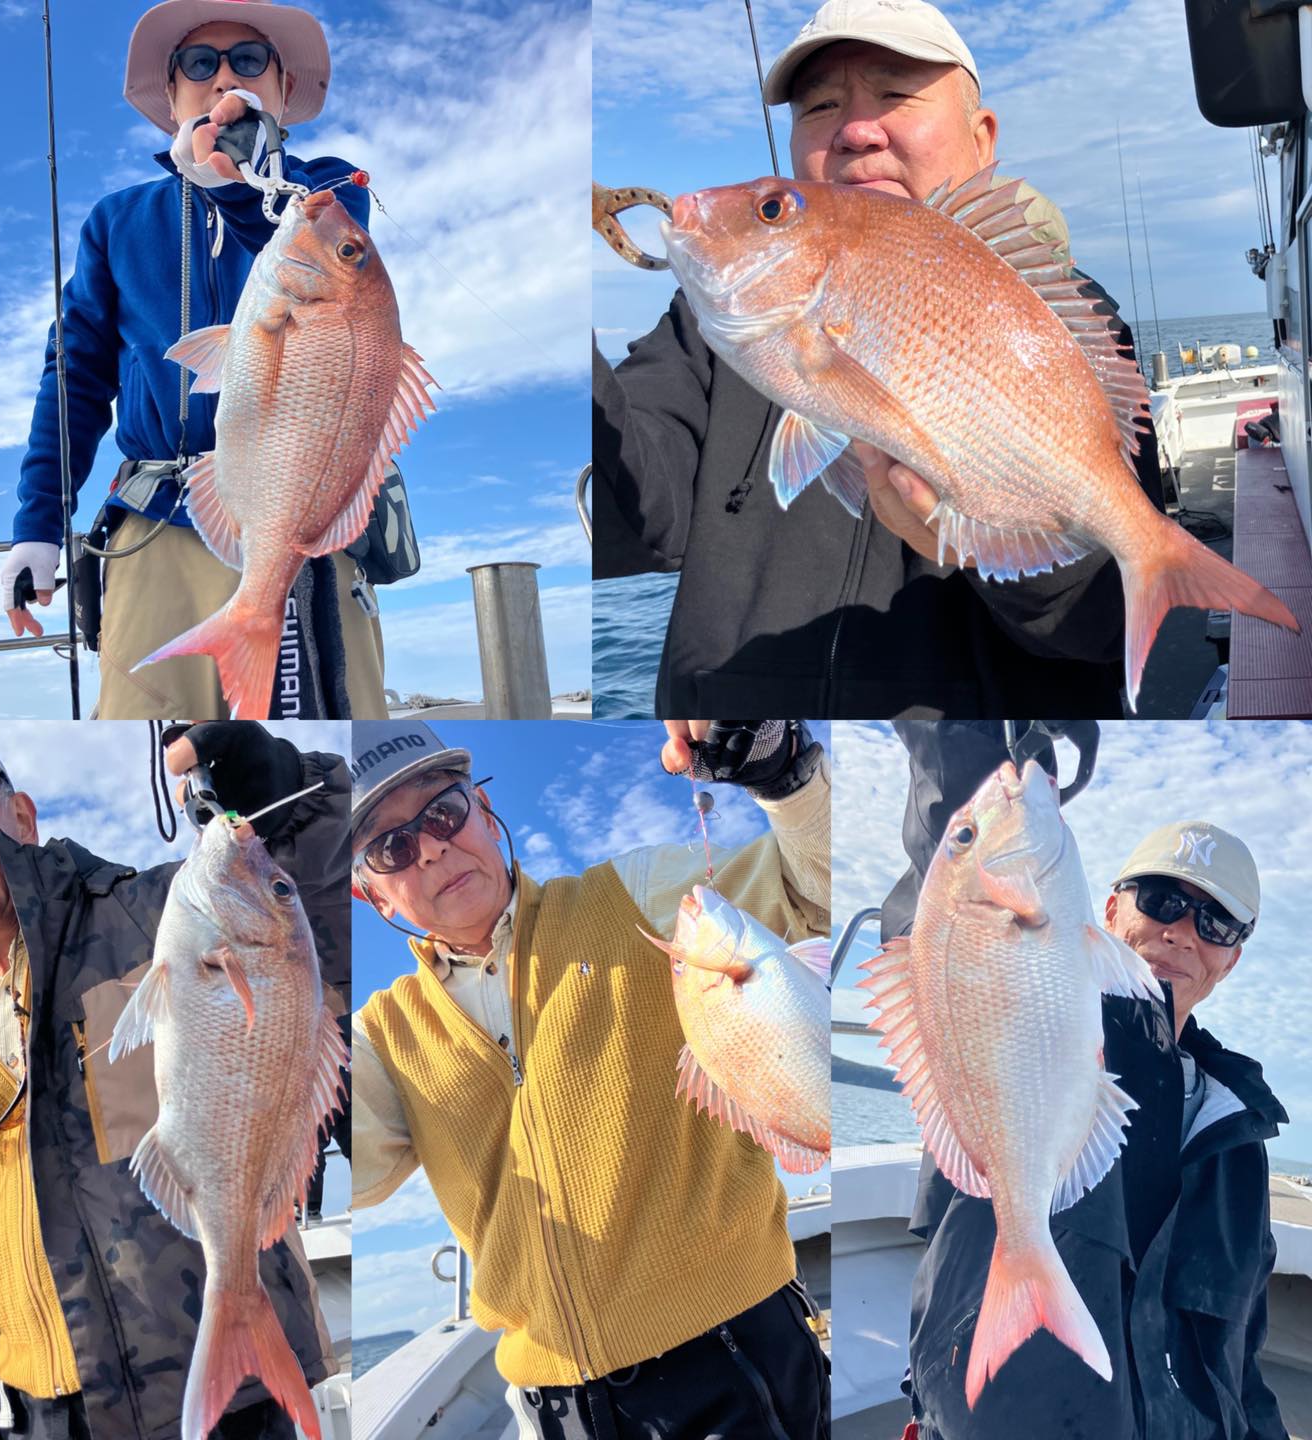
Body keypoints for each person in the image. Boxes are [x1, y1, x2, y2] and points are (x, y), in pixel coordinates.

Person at [592, 0, 1164, 719]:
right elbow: (625, 522)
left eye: (895, 93)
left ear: (981, 138)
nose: (857, 130)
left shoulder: (1068, 321)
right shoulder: (714, 326)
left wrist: (991, 550)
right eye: (820, 106)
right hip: (746, 749)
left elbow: (1101, 624)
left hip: (972, 762)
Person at [350, 719, 832, 1439]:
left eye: (444, 811)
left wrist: (784, 773)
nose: (430, 847)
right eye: (391, 847)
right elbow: (322, 1166)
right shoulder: (380, 1036)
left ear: (484, 811)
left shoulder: (638, 895)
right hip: (556, 1408)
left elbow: (814, 890)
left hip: (734, 1353)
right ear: (372, 897)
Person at [0, 720, 351, 1440]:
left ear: (22, 819)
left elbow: (313, 923)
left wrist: (289, 802)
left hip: (211, 1401)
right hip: (38, 1413)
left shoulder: (152, 913)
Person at [884, 723, 1289, 1440]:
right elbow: (944, 880)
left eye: (1217, 922)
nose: (1182, 931)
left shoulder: (1238, 1135)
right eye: (1160, 899)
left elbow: (1241, 1357)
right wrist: (985, 729)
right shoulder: (1029, 994)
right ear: (1109, 910)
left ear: (1231, 960)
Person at [3, 0, 390, 721]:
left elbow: (330, 261)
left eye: (249, 60)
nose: (225, 78)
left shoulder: (330, 193)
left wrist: (244, 191)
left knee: (327, 739)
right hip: (157, 523)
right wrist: (39, 520)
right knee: (144, 722)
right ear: (173, 94)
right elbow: (75, 377)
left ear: (282, 88)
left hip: (303, 528)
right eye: (200, 62)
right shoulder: (116, 222)